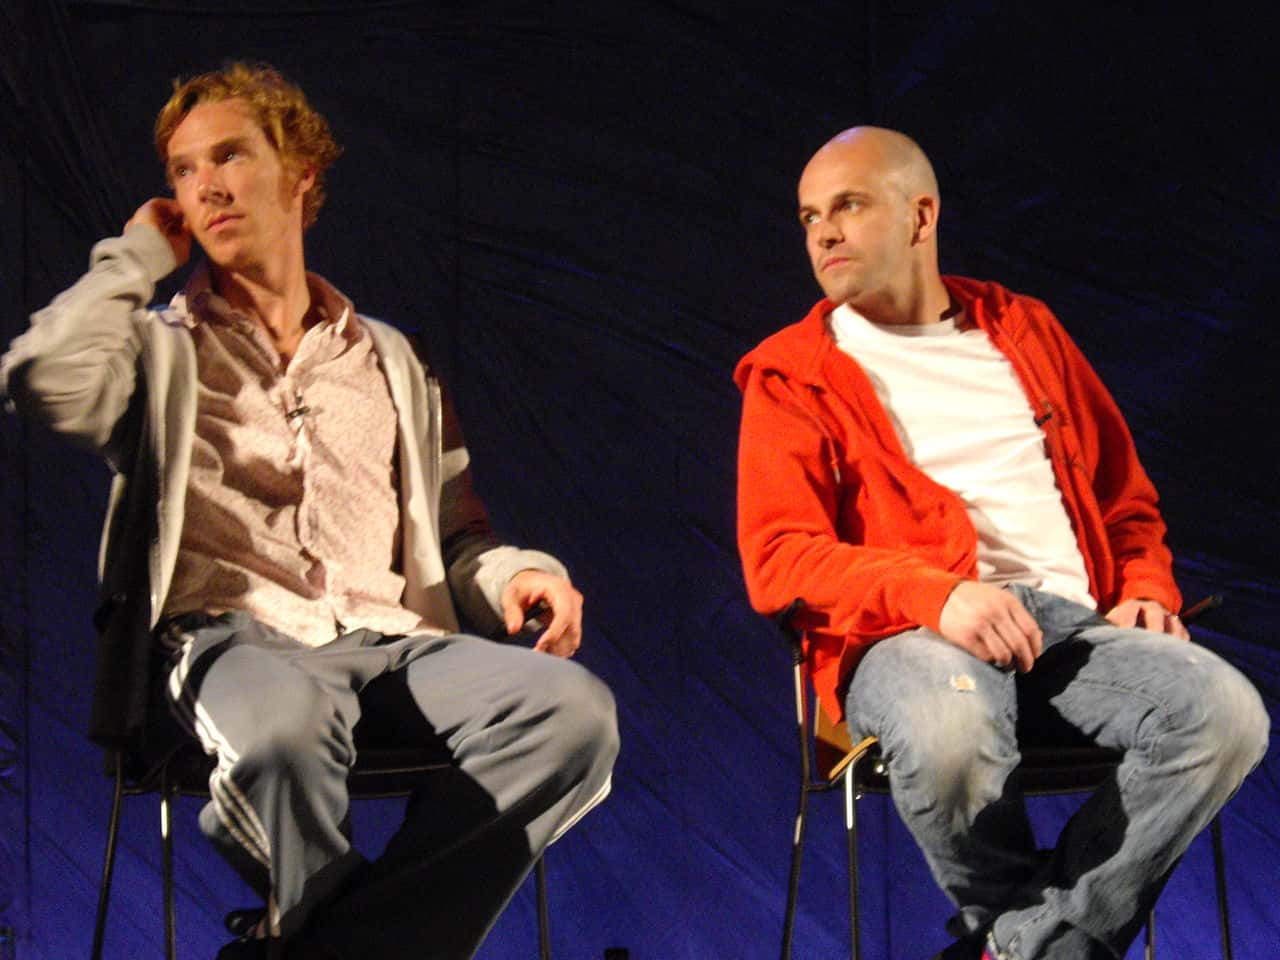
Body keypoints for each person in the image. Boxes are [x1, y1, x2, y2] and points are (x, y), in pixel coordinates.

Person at [1, 62, 617, 960]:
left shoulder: (391, 360)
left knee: (574, 715)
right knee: (283, 734)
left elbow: (456, 536)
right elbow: (39, 375)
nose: (205, 185)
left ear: (301, 173)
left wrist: (520, 574)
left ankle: (316, 943)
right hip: (231, 643)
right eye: (183, 170)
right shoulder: (157, 351)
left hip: (392, 644)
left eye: (229, 156)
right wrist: (136, 258)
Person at [734, 126, 1268, 960]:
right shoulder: (792, 372)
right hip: (905, 637)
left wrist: (1146, 588)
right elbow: (779, 556)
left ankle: (1013, 948)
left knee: (1224, 715)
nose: (823, 234)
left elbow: (1124, 500)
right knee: (948, 731)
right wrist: (937, 594)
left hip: (1071, 630)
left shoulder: (1023, 328)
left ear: (921, 216)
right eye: (809, 218)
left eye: (848, 206)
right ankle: (1044, 947)